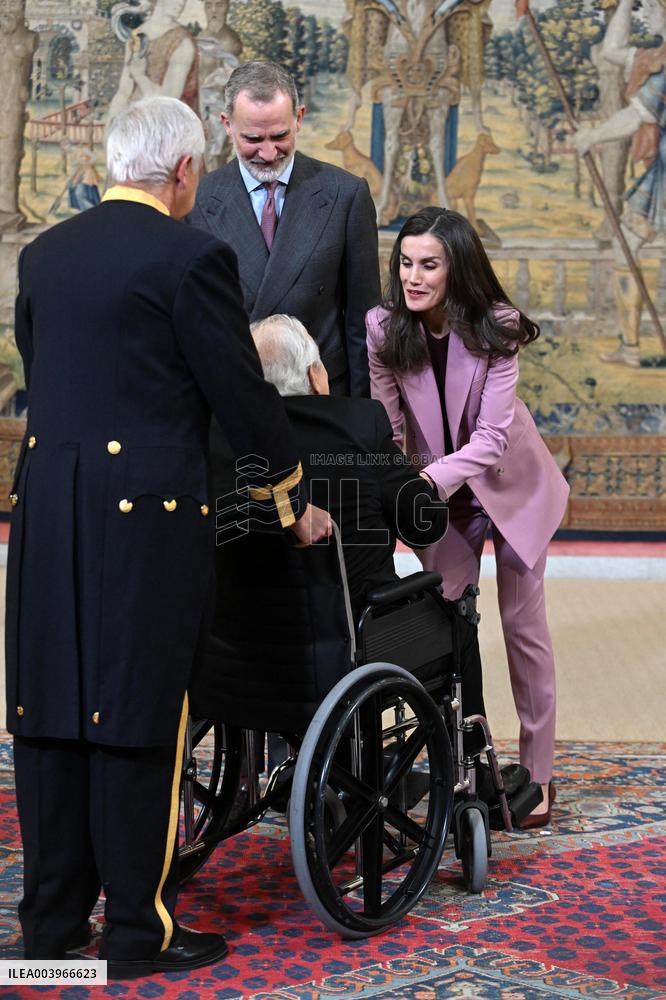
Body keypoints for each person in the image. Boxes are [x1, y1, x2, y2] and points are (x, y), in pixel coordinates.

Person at [5, 95, 331, 979]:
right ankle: (136, 937)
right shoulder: (194, 259)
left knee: (50, 712)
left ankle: (48, 933)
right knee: (141, 719)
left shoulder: (44, 255)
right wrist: (288, 503)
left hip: (44, 515)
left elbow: (50, 374)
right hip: (146, 522)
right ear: (185, 172)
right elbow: (243, 400)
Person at [366, 207, 569, 830]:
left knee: (519, 625)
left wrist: (424, 479)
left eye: (430, 264)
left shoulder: (497, 328)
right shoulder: (383, 330)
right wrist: (399, 488)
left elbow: (490, 437)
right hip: (441, 498)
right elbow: (389, 426)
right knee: (444, 624)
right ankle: (463, 763)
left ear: (458, 268)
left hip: (511, 490)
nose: (414, 276)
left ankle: (537, 776)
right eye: (406, 263)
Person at [187, 60, 380, 397]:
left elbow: (362, 323)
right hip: (229, 398)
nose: (267, 152)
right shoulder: (198, 200)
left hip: (320, 396)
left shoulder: (345, 195)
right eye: (252, 138)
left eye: (280, 135)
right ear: (227, 125)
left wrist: (361, 417)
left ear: (299, 118)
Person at [573, 0, 666, 368]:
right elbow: (611, 51)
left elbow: (635, 116)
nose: (654, 13)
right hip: (660, 176)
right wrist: (624, 2)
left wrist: (590, 136)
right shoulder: (657, 57)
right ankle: (630, 347)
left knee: (627, 242)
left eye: (658, 6)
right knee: (625, 243)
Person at [106, 0, 198, 126]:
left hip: (165, 125)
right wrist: (109, 126)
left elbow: (169, 102)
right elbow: (124, 91)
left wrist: (140, 76)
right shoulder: (136, 36)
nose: (181, 2)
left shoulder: (183, 43)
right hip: (134, 123)